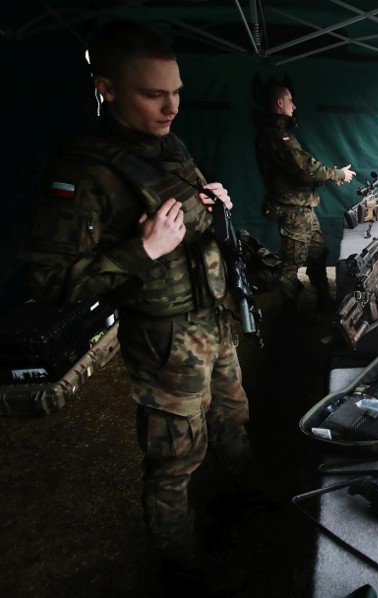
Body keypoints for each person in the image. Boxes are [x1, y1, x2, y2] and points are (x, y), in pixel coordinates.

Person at [20, 21, 258, 588]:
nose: (172, 105)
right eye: (155, 94)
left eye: (176, 91)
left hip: (212, 320)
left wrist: (210, 201)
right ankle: (179, 563)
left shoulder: (166, 146)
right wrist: (141, 251)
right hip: (164, 342)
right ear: (106, 89)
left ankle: (245, 504)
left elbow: (187, 209)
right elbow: (49, 282)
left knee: (234, 417)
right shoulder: (85, 172)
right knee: (175, 458)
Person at [255, 83, 356, 313]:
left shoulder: (282, 134)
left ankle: (323, 300)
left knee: (318, 254)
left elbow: (299, 173)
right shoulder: (276, 136)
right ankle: (291, 315)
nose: (294, 105)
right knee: (290, 267)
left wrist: (329, 176)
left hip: (303, 209)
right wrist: (338, 173)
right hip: (293, 211)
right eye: (290, 100)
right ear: (280, 103)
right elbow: (304, 169)